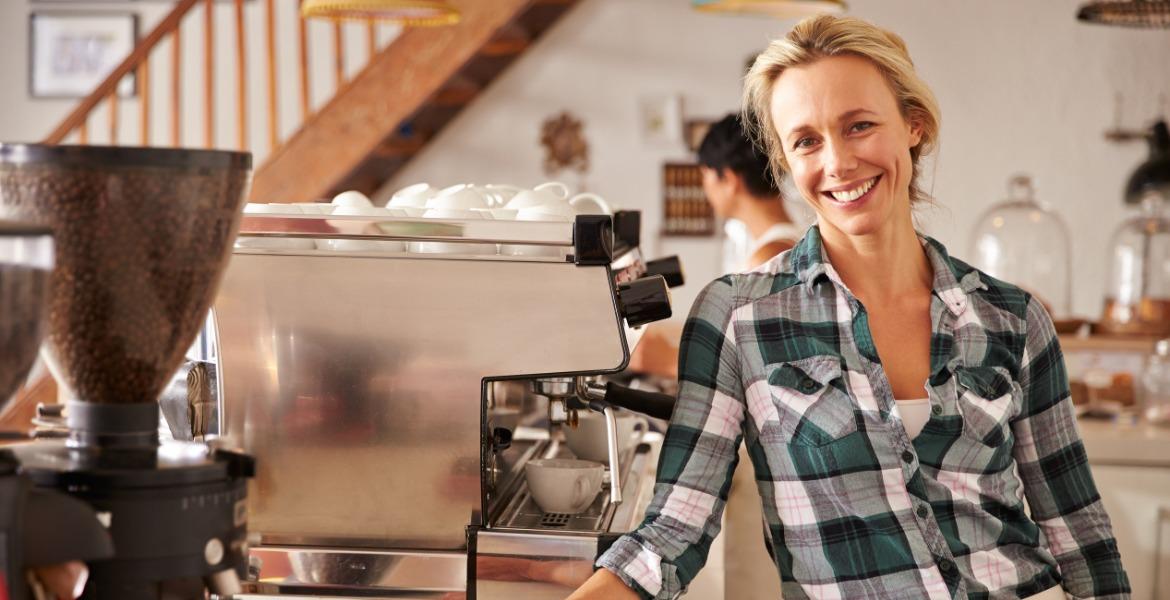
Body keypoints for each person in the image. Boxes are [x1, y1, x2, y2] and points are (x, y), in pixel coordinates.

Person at [570, 14, 1130, 600]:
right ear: (785, 161)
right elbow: (670, 535)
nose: (837, 163)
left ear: (913, 125)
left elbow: (1080, 535)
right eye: (807, 140)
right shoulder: (738, 316)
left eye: (859, 126)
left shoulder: (1013, 318)